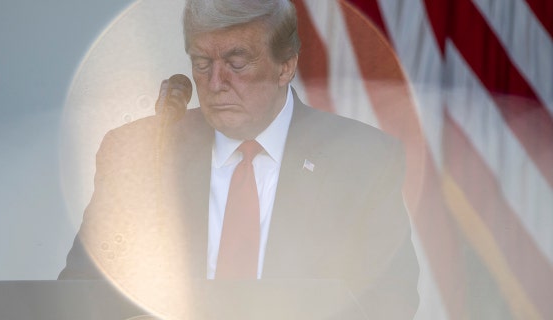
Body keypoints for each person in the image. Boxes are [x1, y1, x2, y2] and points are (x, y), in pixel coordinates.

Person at [60, 0, 419, 318]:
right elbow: (81, 293)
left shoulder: (361, 160)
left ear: (285, 66)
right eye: (202, 63)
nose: (215, 82)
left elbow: (389, 301)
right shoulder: (142, 153)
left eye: (237, 62)